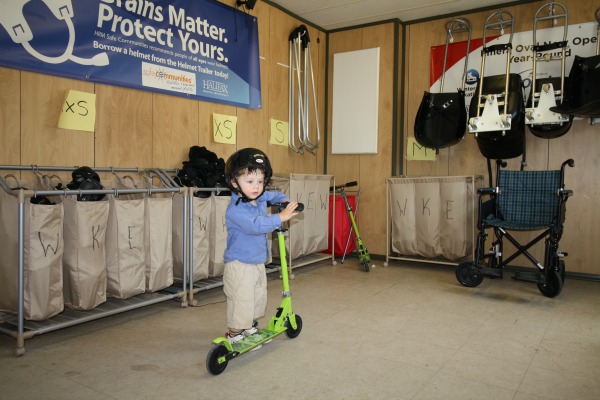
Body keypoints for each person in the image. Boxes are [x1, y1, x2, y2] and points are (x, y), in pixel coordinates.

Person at [222, 148, 299, 347]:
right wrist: (279, 217)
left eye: (260, 181)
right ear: (234, 182)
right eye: (249, 181)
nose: (256, 186)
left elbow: (272, 196)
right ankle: (235, 333)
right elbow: (256, 225)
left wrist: (283, 200)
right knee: (242, 299)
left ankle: (249, 326)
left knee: (257, 296)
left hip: (256, 261)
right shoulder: (236, 210)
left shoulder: (257, 197)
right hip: (239, 264)